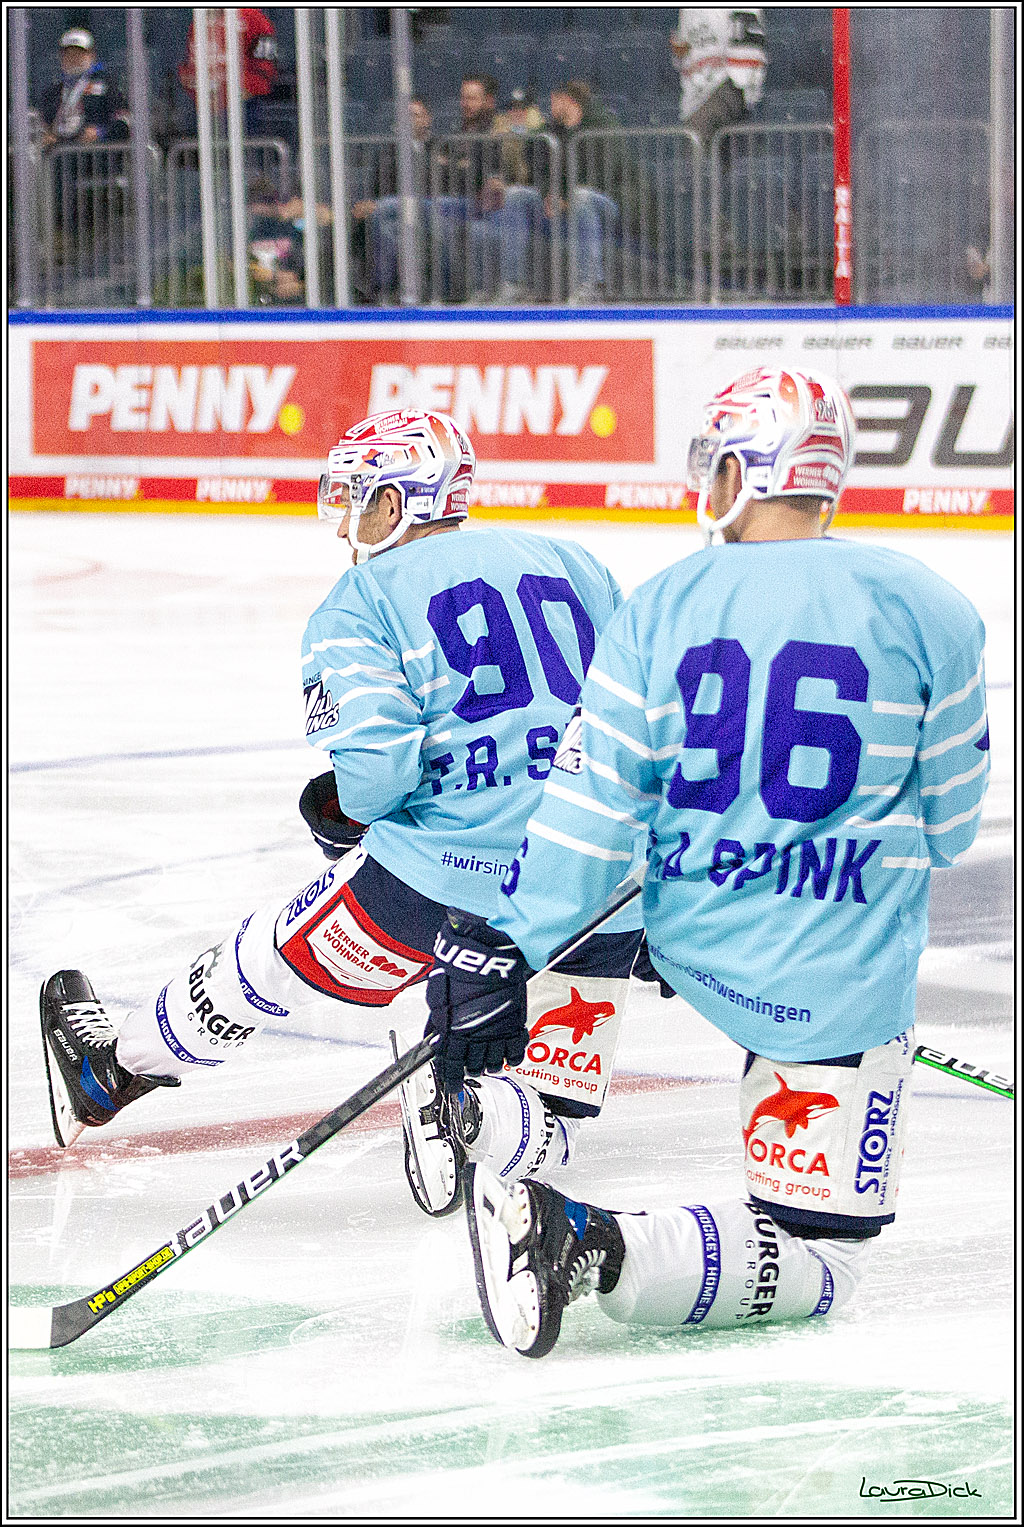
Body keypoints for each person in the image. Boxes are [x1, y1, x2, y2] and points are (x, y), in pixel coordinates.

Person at [422, 365, 991, 1356]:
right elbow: (949, 825)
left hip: (685, 939)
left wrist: (505, 946)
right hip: (831, 981)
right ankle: (588, 1246)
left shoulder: (660, 606)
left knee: (567, 992)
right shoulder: (929, 606)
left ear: (739, 470)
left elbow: (590, 814)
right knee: (824, 1256)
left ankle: (494, 1118)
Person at [39, 410, 642, 1222]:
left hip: (439, 890)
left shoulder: (359, 600)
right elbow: (652, 715)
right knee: (557, 1108)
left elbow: (378, 776)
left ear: (397, 503)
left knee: (262, 960)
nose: (345, 518)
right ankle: (473, 1114)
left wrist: (348, 814)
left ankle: (109, 1070)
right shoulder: (577, 563)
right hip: (605, 888)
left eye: (359, 497)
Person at [543, 81, 622, 301]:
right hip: (564, 202)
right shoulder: (550, 133)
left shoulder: (601, 126)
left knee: (582, 198)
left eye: (553, 101)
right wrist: (546, 196)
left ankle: (590, 284)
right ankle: (513, 284)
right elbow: (541, 171)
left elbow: (607, 172)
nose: (549, 107)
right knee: (519, 196)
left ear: (567, 100)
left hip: (605, 200)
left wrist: (566, 199)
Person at [671, 8, 766, 145]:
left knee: (694, 141)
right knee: (700, 148)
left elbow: (749, 51)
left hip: (727, 85)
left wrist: (739, 86)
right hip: (695, 95)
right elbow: (683, 49)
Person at [178, 8, 278, 134]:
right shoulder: (199, 21)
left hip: (242, 108)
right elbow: (190, 64)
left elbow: (265, 70)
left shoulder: (254, 18)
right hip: (204, 108)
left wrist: (238, 94)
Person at [40, 28, 130, 149]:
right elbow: (44, 124)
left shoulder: (109, 84)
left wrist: (100, 133)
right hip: (63, 162)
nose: (73, 59)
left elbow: (124, 121)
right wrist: (48, 136)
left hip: (99, 160)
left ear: (92, 55)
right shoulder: (52, 92)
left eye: (79, 54)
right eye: (68, 54)